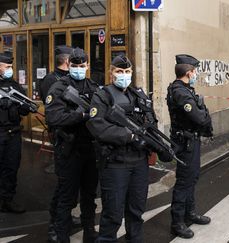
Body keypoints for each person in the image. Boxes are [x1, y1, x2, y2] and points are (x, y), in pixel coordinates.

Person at [86, 55, 171, 242]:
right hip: (115, 163)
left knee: (136, 210)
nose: (123, 75)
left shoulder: (138, 95)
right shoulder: (103, 95)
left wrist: (159, 146)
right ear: (111, 73)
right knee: (113, 213)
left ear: (132, 73)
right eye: (119, 71)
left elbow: (151, 125)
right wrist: (130, 136)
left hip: (139, 162)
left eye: (126, 72)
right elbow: (97, 126)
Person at [45, 48, 99, 243]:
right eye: (75, 66)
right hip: (69, 149)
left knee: (89, 195)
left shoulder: (93, 87)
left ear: (87, 66)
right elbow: (54, 116)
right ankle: (61, 235)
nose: (78, 69)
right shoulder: (59, 88)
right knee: (66, 196)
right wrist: (81, 116)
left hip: (90, 149)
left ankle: (89, 231)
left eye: (82, 66)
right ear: (68, 65)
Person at [166, 54, 213, 239]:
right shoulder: (180, 92)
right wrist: (204, 111)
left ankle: (190, 213)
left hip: (190, 140)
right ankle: (177, 223)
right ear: (188, 72)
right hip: (185, 142)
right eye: (195, 71)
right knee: (185, 180)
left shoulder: (185, 89)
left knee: (192, 177)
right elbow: (199, 117)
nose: (196, 74)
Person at [0, 53, 31, 214]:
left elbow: (24, 108)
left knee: (11, 168)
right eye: (7, 67)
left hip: (13, 133)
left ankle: (7, 200)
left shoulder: (15, 86)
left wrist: (24, 107)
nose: (10, 69)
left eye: (11, 66)